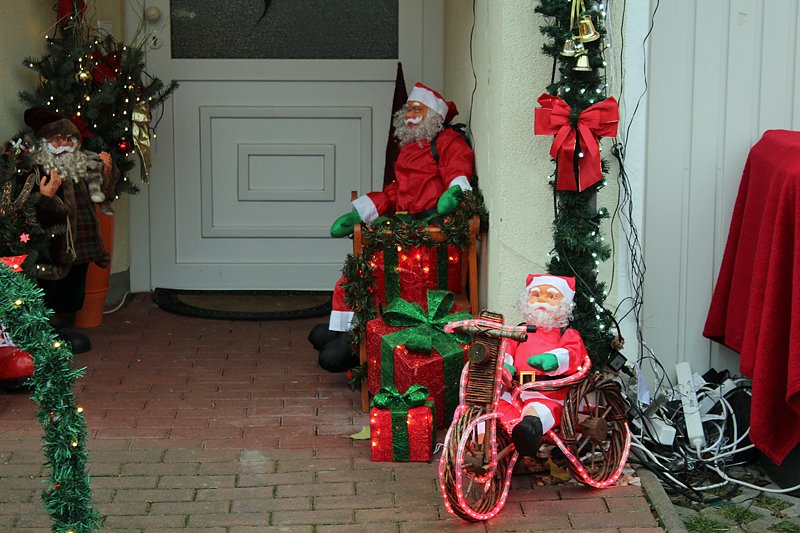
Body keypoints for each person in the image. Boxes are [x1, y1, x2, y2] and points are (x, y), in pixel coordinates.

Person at [309, 82, 476, 372]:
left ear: (433, 115)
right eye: (408, 109)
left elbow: (458, 172)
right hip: (405, 231)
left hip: (432, 237)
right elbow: (397, 192)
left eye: (417, 109)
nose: (410, 114)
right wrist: (362, 212)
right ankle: (345, 331)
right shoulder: (410, 150)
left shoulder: (447, 141)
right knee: (356, 273)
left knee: (378, 276)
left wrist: (453, 195)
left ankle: (354, 343)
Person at [23, 107, 119, 354]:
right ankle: (48, 333)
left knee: (74, 289)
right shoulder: (36, 169)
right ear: (45, 143)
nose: (65, 144)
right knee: (51, 286)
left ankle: (63, 329)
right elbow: (28, 210)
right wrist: (45, 198)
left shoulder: (84, 164)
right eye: (58, 139)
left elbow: (104, 195)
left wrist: (108, 172)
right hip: (52, 245)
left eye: (69, 139)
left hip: (82, 242)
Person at [498, 274, 588, 457]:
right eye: (536, 294)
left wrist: (554, 359)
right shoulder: (519, 330)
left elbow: (575, 352)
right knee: (496, 407)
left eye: (551, 296)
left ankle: (528, 435)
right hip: (515, 390)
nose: (542, 300)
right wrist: (505, 365)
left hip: (547, 393)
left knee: (537, 412)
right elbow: (506, 349)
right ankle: (494, 443)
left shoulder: (566, 333)